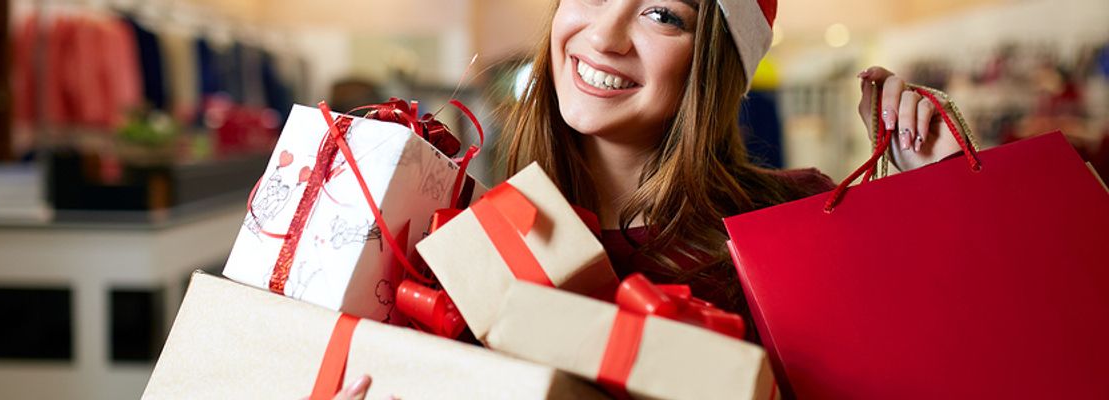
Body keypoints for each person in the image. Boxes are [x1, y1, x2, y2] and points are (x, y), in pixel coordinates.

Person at [334, 0, 963, 397]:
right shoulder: (461, 239)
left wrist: (939, 203)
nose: (605, 35)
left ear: (713, 63)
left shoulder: (793, 224)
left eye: (662, 13)